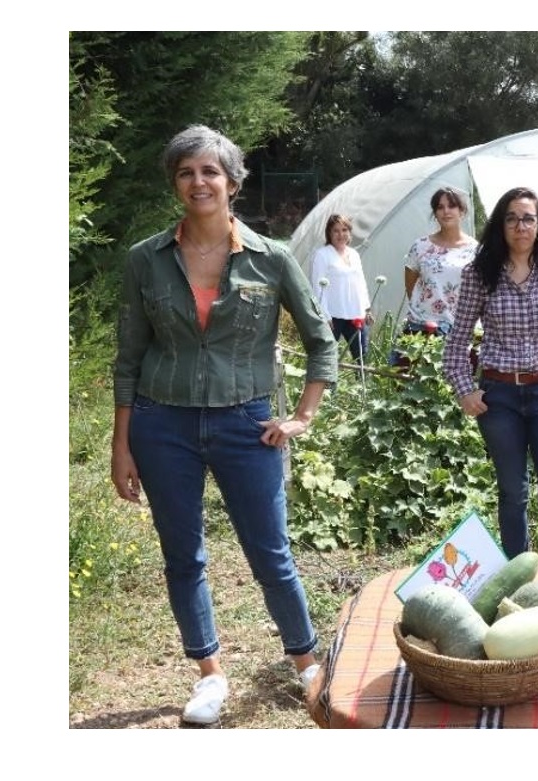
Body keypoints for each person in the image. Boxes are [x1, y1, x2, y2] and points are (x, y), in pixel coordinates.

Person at [110, 125, 338, 726]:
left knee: (272, 554)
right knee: (183, 556)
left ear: (232, 182)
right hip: (162, 427)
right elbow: (129, 357)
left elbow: (322, 343)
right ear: (175, 184)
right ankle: (209, 674)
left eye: (210, 171)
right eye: (186, 172)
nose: (198, 182)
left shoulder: (273, 258)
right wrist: (122, 443)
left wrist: (301, 417)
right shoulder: (144, 260)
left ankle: (306, 662)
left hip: (248, 425)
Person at [442, 187, 538, 562]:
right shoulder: (481, 274)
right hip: (500, 397)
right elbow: (456, 342)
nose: (520, 226)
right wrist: (465, 391)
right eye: (512, 218)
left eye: (528, 218)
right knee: (512, 492)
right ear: (500, 225)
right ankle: (515, 576)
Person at [403, 187, 478, 338]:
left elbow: (478, 291)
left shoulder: (476, 249)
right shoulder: (420, 246)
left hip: (460, 329)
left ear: (461, 211)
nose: (446, 211)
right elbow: (410, 285)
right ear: (435, 214)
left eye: (451, 206)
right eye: (440, 207)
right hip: (421, 326)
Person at [308, 213, 372, 361]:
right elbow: (318, 287)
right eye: (336, 231)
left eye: (344, 230)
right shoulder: (322, 255)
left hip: (356, 313)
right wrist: (324, 315)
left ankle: (362, 383)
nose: (340, 234)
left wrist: (366, 309)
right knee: (327, 357)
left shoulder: (354, 254)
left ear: (349, 233)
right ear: (329, 234)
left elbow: (360, 283)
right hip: (333, 316)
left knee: (361, 357)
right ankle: (329, 385)